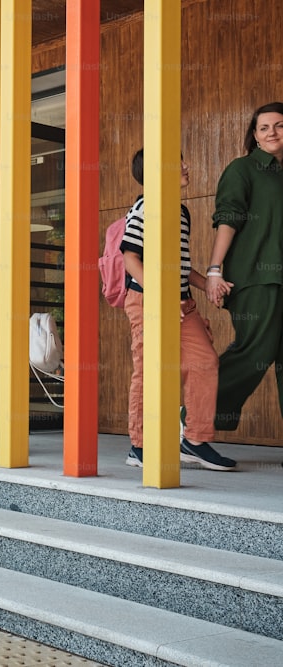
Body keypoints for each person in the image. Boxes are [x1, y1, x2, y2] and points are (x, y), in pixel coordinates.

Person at [121, 149, 235, 471]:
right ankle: (140, 446)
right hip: (147, 301)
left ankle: (194, 440)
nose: (186, 166)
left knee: (204, 361)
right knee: (149, 370)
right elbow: (130, 259)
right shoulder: (144, 208)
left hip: (182, 302)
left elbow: (181, 267)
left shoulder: (182, 212)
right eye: (178, 161)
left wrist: (209, 284)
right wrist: (160, 297)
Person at [205, 102, 283, 435]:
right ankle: (193, 416)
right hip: (255, 278)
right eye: (264, 128)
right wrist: (214, 270)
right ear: (254, 134)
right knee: (255, 350)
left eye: (279, 125)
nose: (272, 133)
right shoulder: (243, 169)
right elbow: (228, 218)